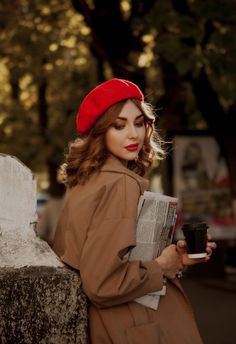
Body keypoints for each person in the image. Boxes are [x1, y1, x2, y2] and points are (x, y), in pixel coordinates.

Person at [53, 78, 216, 343]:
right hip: (133, 324)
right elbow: (102, 283)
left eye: (139, 123)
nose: (134, 134)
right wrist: (162, 265)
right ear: (100, 131)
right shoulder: (120, 183)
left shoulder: (86, 179)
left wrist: (176, 258)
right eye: (119, 125)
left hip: (114, 323)